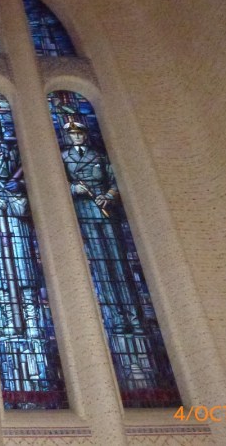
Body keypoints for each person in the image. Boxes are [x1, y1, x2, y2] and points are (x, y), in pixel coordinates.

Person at [61, 120, 152, 388]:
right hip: (84, 213)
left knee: (119, 266)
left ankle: (134, 320)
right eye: (72, 135)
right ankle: (117, 320)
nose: (77, 137)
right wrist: (74, 189)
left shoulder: (100, 157)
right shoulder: (63, 158)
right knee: (101, 268)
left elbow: (114, 181)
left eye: (79, 133)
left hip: (105, 212)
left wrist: (109, 197)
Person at [0, 115, 53, 394]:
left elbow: (29, 175)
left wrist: (18, 190)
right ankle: (6, 322)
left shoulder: (12, 152)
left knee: (22, 264)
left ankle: (32, 322)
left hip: (13, 207)